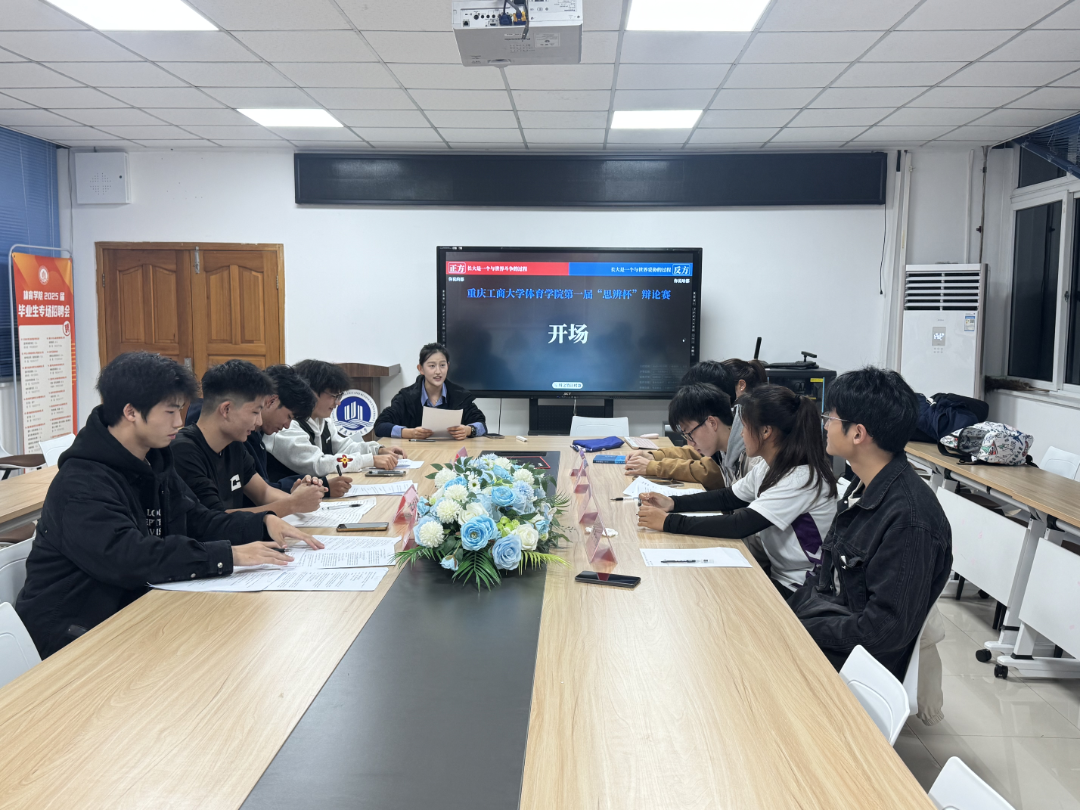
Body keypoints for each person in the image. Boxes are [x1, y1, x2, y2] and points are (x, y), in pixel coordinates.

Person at [15, 351, 321, 658]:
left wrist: (262, 522)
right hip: (74, 635)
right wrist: (227, 555)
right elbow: (129, 558)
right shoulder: (81, 482)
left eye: (180, 410)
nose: (178, 422)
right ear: (131, 411)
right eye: (170, 411)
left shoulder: (154, 461)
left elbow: (197, 520)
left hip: (138, 612)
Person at [787, 367, 952, 679]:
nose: (825, 425)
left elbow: (882, 632)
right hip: (831, 632)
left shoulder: (910, 520)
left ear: (858, 433)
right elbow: (825, 579)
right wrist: (786, 616)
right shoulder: (862, 487)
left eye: (830, 417)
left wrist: (798, 630)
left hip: (857, 667)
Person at [637, 383, 838, 598]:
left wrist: (668, 522)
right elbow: (728, 497)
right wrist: (673, 503)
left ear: (766, 431)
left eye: (745, 426)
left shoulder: (800, 478)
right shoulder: (769, 466)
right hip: (780, 576)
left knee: (707, 594)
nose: (740, 434)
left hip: (804, 587)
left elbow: (740, 525)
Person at [172, 360, 326, 517]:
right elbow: (215, 519)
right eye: (255, 412)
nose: (259, 422)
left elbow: (263, 493)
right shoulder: (183, 451)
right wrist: (292, 504)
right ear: (226, 409)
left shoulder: (234, 445)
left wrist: (300, 499)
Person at [263, 359, 406, 479]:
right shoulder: (286, 425)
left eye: (339, 396)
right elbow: (318, 464)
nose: (338, 403)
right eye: (334, 396)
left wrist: (376, 450)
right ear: (311, 392)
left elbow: (343, 448)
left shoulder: (322, 421)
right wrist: (370, 460)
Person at [246, 364, 354, 500]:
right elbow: (259, 496)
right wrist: (322, 487)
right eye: (289, 416)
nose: (287, 425)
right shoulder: (243, 437)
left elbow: (264, 491)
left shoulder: (255, 435)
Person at [623, 360, 735, 489]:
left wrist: (654, 466)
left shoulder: (738, 437)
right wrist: (653, 456)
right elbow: (696, 452)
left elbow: (709, 471)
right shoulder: (721, 430)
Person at [374, 343, 487, 440]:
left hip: (452, 453)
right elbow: (380, 426)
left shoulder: (460, 396)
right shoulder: (406, 397)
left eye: (442, 365)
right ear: (421, 369)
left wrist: (468, 430)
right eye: (432, 366)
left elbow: (482, 425)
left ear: (448, 366)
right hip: (416, 454)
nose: (438, 371)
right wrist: (410, 433)